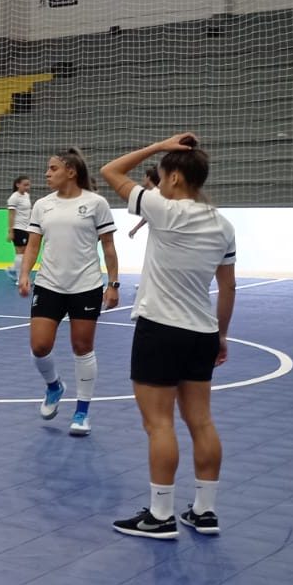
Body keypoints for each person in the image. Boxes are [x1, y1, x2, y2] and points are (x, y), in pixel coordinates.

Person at [101, 135, 235, 539]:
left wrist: (160, 145)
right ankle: (205, 511)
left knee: (159, 424)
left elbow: (111, 171)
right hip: (202, 333)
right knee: (201, 421)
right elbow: (227, 288)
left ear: (175, 177)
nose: (156, 184)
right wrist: (222, 335)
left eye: (161, 176)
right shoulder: (222, 224)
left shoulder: (160, 208)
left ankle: (161, 516)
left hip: (160, 329)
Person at [17, 148, 119, 436]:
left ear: (71, 172)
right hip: (49, 284)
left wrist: (113, 284)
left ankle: (82, 412)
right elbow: (33, 245)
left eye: (53, 169)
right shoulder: (42, 205)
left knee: (82, 347)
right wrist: (25, 274)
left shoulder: (96, 204)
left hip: (85, 286)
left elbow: (108, 248)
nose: (47, 174)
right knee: (39, 346)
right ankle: (54, 386)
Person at [6, 175, 33, 281]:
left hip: (27, 228)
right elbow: (11, 215)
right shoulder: (14, 198)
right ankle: (19, 278)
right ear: (18, 185)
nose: (27, 187)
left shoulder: (26, 195)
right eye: (25, 185)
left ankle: (12, 269)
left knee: (25, 254)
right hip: (18, 228)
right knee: (21, 253)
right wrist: (11, 231)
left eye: (28, 185)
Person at [128, 165, 160, 239]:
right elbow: (147, 215)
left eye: (144, 176)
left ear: (148, 178)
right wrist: (136, 228)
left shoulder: (154, 195)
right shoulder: (155, 194)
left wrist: (135, 229)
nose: (143, 179)